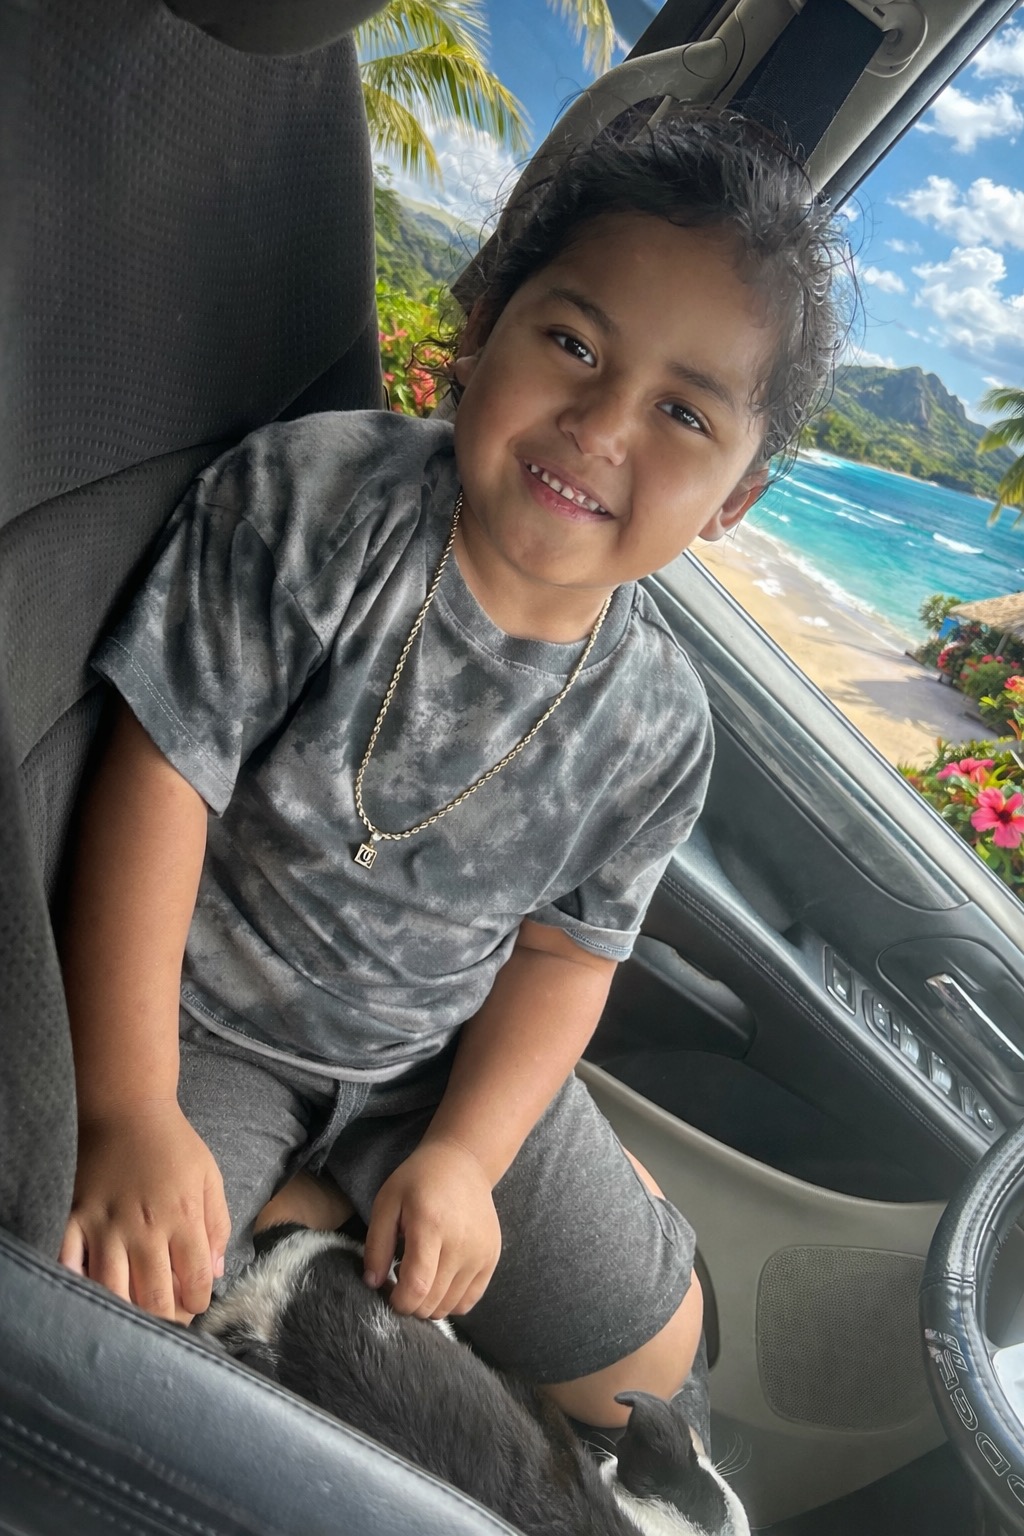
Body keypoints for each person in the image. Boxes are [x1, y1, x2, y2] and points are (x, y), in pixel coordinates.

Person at [58, 105, 846, 1431]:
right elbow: (159, 775)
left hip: (432, 1059)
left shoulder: (658, 725)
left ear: (734, 500)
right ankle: (301, 1212)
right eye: (573, 343)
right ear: (481, 327)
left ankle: (329, 1207)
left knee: (654, 1375)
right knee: (122, 1316)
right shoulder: (314, 503)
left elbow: (565, 959)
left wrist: (471, 1158)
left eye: (682, 412)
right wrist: (127, 1106)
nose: (601, 424)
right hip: (206, 1022)